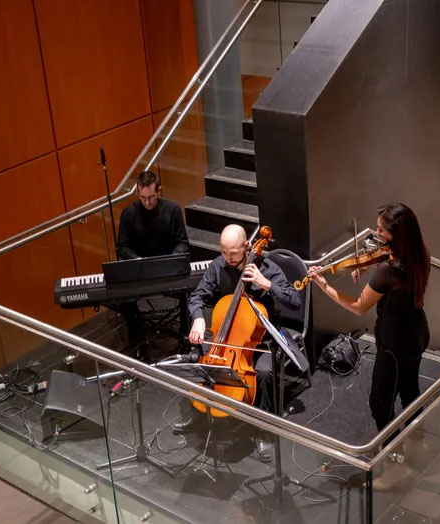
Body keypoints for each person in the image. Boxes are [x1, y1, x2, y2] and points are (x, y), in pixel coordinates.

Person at [307, 203, 430, 489]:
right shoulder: (420, 254)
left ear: (394, 235)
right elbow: (391, 273)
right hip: (418, 334)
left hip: (395, 346)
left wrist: (323, 285)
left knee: (380, 402)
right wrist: (370, 267)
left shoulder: (387, 271)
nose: (375, 235)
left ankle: (396, 467)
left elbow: (359, 307)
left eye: (380, 231)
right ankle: (417, 445)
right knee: (410, 391)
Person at [177, 224, 302, 463]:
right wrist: (199, 319)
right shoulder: (219, 265)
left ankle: (263, 431)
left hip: (261, 337)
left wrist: (267, 284)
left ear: (246, 247)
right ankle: (200, 411)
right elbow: (197, 297)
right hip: (226, 335)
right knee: (196, 354)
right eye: (223, 252)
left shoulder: (268, 268)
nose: (228, 258)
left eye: (232, 253)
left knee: (264, 372)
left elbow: (295, 300)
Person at [114, 170, 190, 357]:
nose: (147, 202)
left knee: (188, 290)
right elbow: (122, 247)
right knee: (124, 298)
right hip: (140, 270)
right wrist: (137, 260)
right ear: (137, 193)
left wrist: (170, 259)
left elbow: (183, 243)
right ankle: (139, 342)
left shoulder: (172, 210)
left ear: (159, 191)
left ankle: (184, 338)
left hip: (168, 268)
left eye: (151, 197)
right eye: (142, 198)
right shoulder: (128, 214)